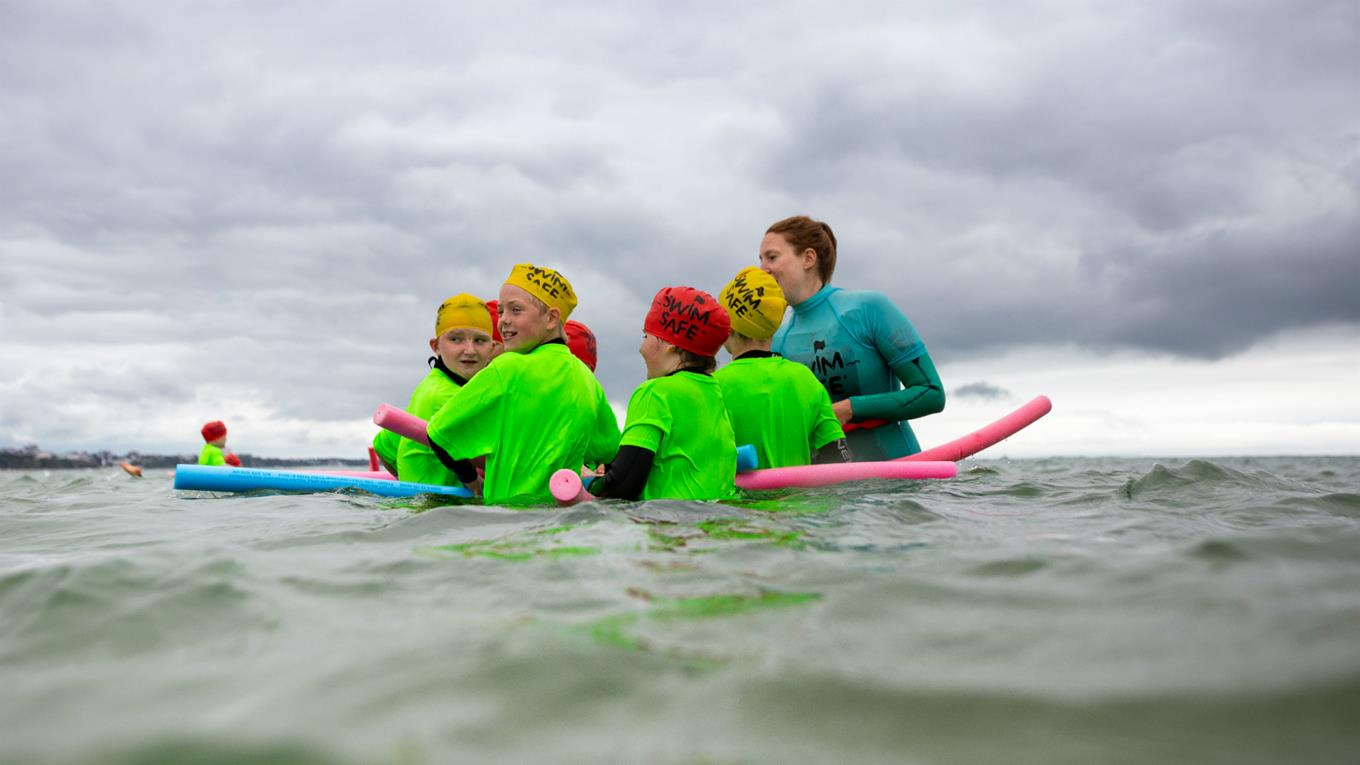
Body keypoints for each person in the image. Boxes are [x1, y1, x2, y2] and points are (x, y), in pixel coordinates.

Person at [425, 263, 620, 504]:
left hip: (507, 524)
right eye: (501, 311)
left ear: (551, 318)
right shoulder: (586, 379)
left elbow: (437, 433)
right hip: (563, 525)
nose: (503, 321)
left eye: (515, 310)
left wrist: (472, 480)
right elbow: (610, 452)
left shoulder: (507, 369)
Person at [761, 215, 944, 460]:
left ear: (808, 258)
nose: (763, 269)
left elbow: (931, 393)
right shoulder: (777, 339)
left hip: (898, 485)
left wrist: (850, 409)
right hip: (825, 492)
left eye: (771, 257)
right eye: (761, 260)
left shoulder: (868, 309)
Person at [591, 286, 737, 501]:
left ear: (670, 345)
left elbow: (623, 487)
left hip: (668, 525)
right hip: (715, 523)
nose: (641, 347)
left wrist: (589, 482)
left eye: (646, 335)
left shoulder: (655, 393)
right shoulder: (715, 393)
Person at [716, 267, 850, 469]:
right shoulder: (805, 379)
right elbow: (839, 459)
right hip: (798, 499)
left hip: (736, 501)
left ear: (728, 326)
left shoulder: (714, 386)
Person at [373, 294, 497, 485]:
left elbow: (383, 445)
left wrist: (408, 484)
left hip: (416, 507)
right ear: (436, 346)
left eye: (479, 341)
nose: (470, 350)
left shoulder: (428, 386)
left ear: (492, 347)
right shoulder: (450, 396)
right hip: (442, 508)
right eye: (456, 339)